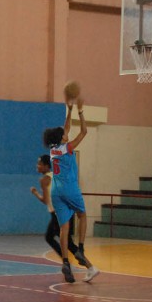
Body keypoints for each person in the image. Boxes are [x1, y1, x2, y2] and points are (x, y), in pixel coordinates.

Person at [42, 100, 99, 283]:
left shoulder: (53, 150)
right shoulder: (67, 148)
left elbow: (65, 128)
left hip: (56, 191)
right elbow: (84, 132)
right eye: (65, 134)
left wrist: (70, 110)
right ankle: (80, 249)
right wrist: (81, 111)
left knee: (64, 228)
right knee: (82, 215)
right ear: (62, 138)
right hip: (69, 188)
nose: (67, 134)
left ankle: (66, 261)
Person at [30, 154, 80, 262]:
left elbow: (45, 201)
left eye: (39, 164)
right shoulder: (55, 176)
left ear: (46, 166)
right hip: (67, 211)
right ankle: (67, 261)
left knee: (66, 242)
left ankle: (84, 263)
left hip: (57, 214)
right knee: (51, 237)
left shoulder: (44, 180)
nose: (37, 166)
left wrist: (35, 193)